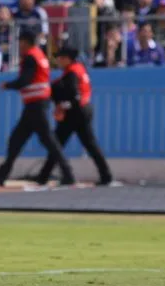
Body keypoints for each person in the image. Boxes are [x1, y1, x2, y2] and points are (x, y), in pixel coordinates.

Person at [0, 30, 74, 187]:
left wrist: (8, 85)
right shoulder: (39, 55)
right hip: (35, 105)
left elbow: (25, 80)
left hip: (36, 105)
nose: (19, 46)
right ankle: (2, 174)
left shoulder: (30, 57)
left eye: (20, 43)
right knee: (18, 139)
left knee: (47, 141)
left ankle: (68, 173)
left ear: (25, 42)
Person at [34, 47, 114, 186]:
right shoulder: (78, 69)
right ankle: (106, 176)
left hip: (76, 113)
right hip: (82, 110)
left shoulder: (72, 73)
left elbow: (73, 95)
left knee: (57, 144)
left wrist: (62, 105)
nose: (58, 61)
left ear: (67, 59)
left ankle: (46, 176)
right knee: (87, 144)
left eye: (60, 58)